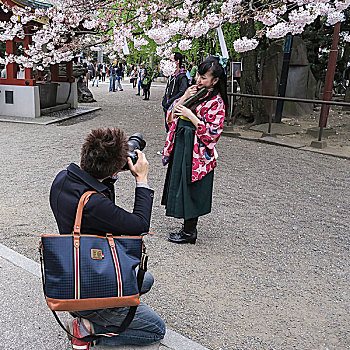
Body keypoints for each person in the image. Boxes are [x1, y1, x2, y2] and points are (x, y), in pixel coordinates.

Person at [50, 127, 166, 349]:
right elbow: (139, 225)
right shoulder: (95, 204)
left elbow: (99, 195)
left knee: (146, 280)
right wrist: (141, 179)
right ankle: (89, 329)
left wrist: (110, 173)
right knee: (155, 330)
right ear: (112, 170)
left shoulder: (63, 178)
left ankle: (85, 309)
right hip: (92, 282)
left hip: (73, 271)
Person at [161, 56, 228, 244]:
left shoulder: (216, 102)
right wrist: (184, 97)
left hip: (196, 149)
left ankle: (190, 231)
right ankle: (186, 228)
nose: (199, 80)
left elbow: (213, 134)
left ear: (215, 81)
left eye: (204, 78)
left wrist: (192, 117)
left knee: (192, 186)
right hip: (182, 142)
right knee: (181, 182)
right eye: (199, 75)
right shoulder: (195, 92)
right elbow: (171, 116)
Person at [161, 52, 188, 132]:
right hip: (167, 106)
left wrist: (171, 101)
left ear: (177, 61)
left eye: (171, 60)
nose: (169, 63)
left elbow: (182, 91)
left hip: (174, 107)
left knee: (173, 130)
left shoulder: (182, 76)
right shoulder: (172, 75)